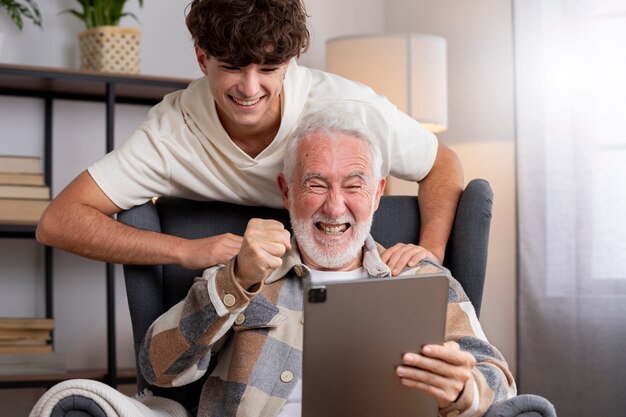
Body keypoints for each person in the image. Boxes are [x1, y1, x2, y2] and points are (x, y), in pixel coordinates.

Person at [35, 0, 463, 275]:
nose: (250, 88)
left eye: (268, 69)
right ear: (203, 58)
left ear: (291, 62)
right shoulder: (171, 133)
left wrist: (430, 253)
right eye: (234, 67)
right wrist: (185, 251)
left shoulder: (351, 109)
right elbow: (58, 222)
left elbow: (442, 163)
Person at [138, 110, 515, 417]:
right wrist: (234, 281)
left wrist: (463, 389)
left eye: (353, 186)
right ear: (286, 191)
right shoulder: (244, 272)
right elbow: (158, 369)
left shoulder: (421, 277)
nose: (335, 207)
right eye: (316, 184)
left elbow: (500, 383)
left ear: (378, 194)